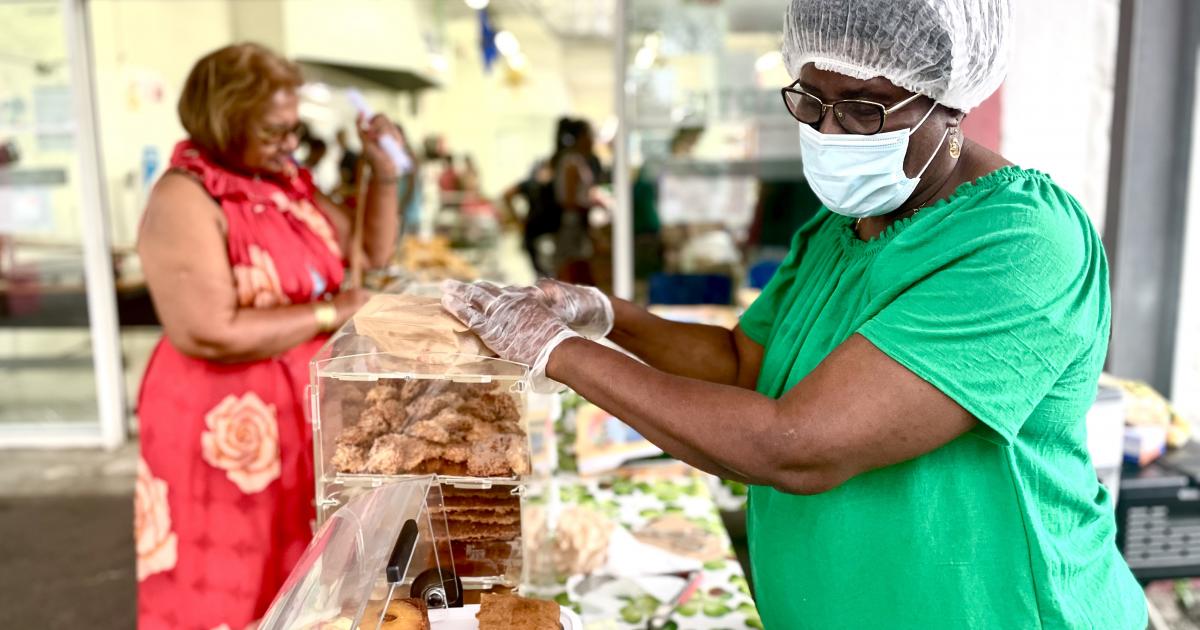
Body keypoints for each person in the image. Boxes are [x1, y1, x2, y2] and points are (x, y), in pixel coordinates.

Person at [441, 0, 1147, 627]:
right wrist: (604, 315)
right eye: (811, 101)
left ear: (950, 100)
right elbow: (748, 364)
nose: (832, 132)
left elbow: (797, 444)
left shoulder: (1021, 245)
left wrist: (557, 351)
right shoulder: (848, 227)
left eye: (864, 108)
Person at [134, 43, 402, 630]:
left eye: (292, 130)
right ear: (224, 119)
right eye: (272, 130)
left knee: (300, 586)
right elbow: (208, 330)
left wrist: (383, 174)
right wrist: (331, 313)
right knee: (229, 588)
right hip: (226, 433)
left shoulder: (283, 184)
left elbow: (369, 255)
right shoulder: (187, 196)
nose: (288, 143)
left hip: (297, 421)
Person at [553, 118, 598, 284]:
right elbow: (569, 199)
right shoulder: (571, 161)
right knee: (571, 268)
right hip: (573, 222)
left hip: (579, 220)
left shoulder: (578, 160)